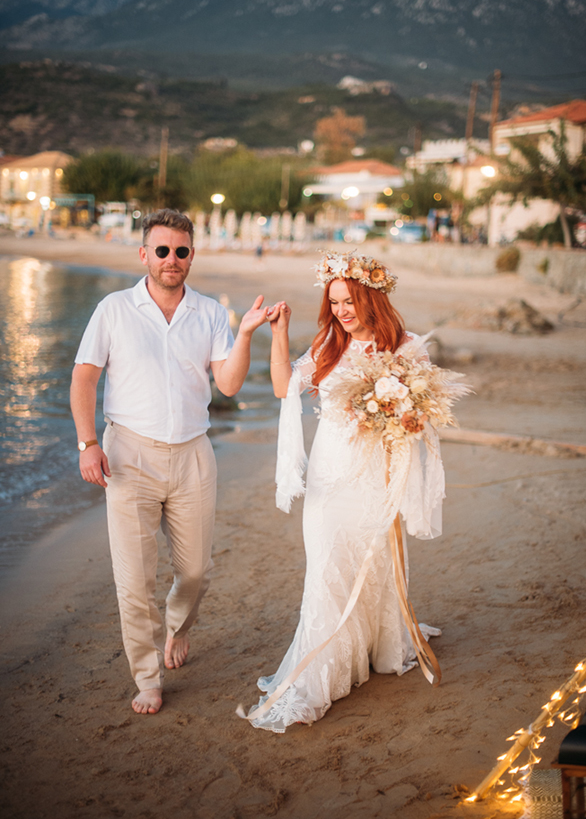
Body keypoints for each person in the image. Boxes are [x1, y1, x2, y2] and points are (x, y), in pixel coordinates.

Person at [71, 208, 273, 715]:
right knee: (133, 580)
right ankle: (146, 677)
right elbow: (84, 379)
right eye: (161, 250)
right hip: (128, 455)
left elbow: (226, 385)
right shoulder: (114, 309)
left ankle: (179, 627)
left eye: (181, 251)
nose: (171, 259)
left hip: (193, 456)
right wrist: (86, 443)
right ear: (144, 254)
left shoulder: (207, 312)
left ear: (191, 256)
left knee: (196, 571)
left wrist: (245, 334)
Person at [245, 251, 446, 733]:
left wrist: (396, 414)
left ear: (370, 295)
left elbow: (421, 417)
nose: (342, 310)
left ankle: (372, 652)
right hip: (329, 478)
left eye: (349, 300)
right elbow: (281, 388)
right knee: (327, 568)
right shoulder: (327, 346)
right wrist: (277, 334)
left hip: (376, 478)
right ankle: (319, 675)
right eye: (334, 302)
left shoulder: (408, 348)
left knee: (372, 564)